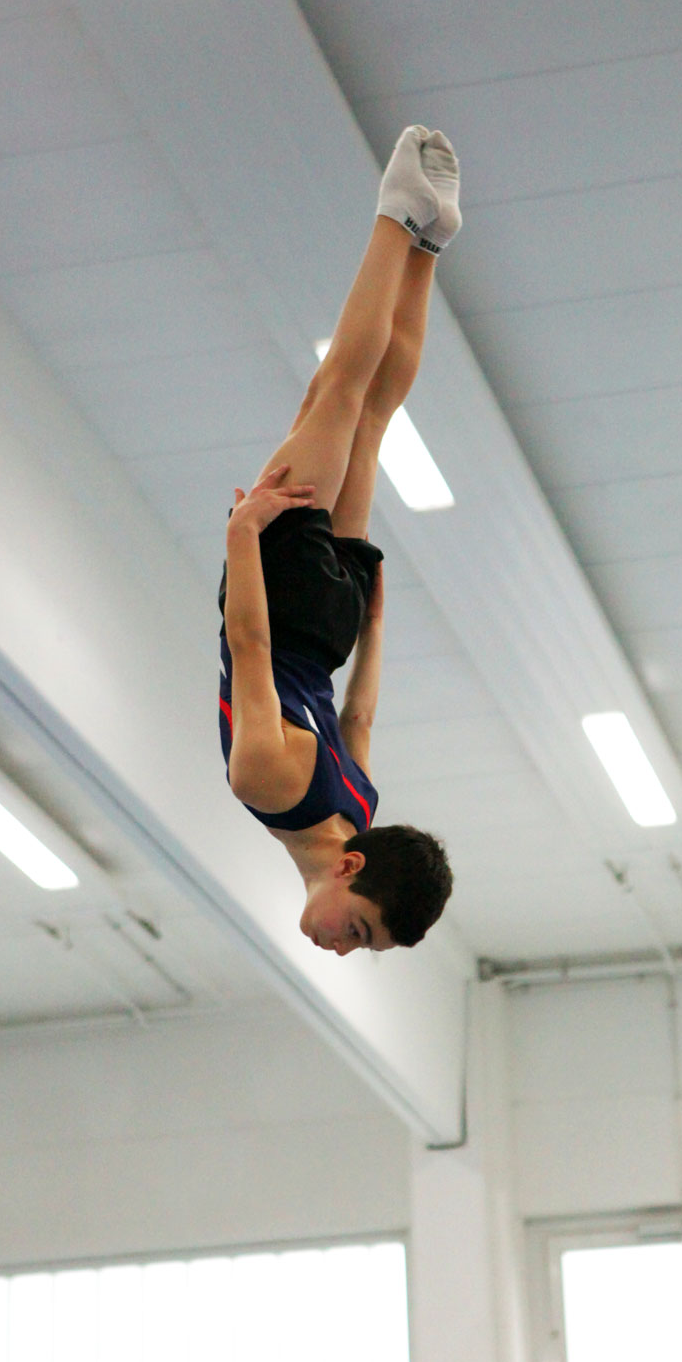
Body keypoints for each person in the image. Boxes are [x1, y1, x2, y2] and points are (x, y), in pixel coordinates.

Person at [218, 126, 460, 956]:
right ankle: (398, 217)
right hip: (283, 597)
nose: (342, 947)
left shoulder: (359, 807)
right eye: (358, 929)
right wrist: (242, 537)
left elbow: (359, 712)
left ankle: (428, 245)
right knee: (339, 392)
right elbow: (249, 644)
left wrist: (376, 624)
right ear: (351, 867)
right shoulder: (267, 782)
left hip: (336, 625)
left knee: (374, 415)